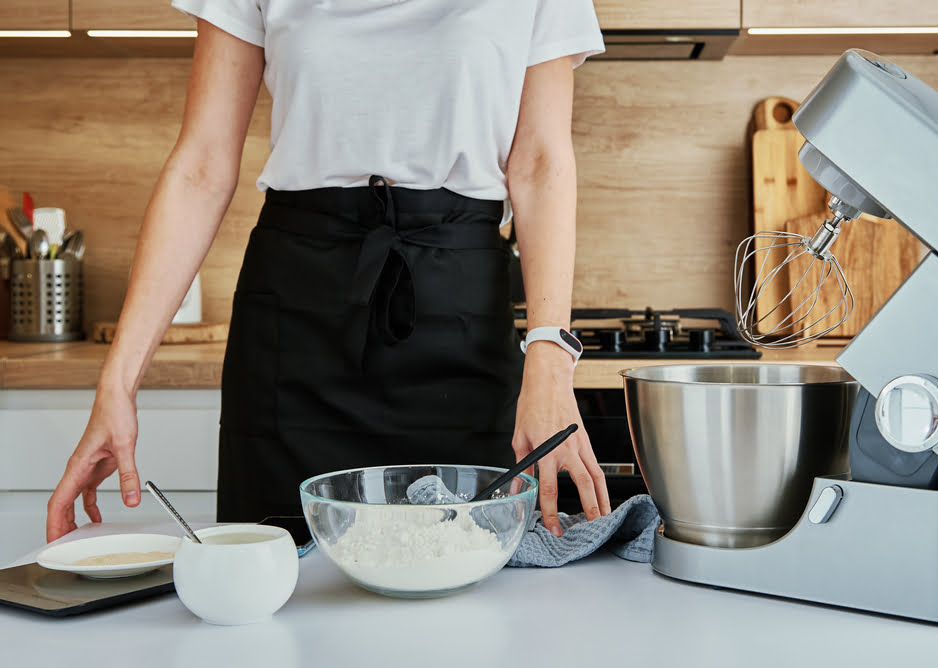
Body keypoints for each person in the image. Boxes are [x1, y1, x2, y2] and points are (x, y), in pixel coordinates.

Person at [46, 0, 611, 543]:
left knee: (465, 593)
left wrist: (550, 359)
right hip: (293, 328)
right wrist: (116, 384)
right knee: (277, 591)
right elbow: (201, 165)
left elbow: (540, 163)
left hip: (460, 323)